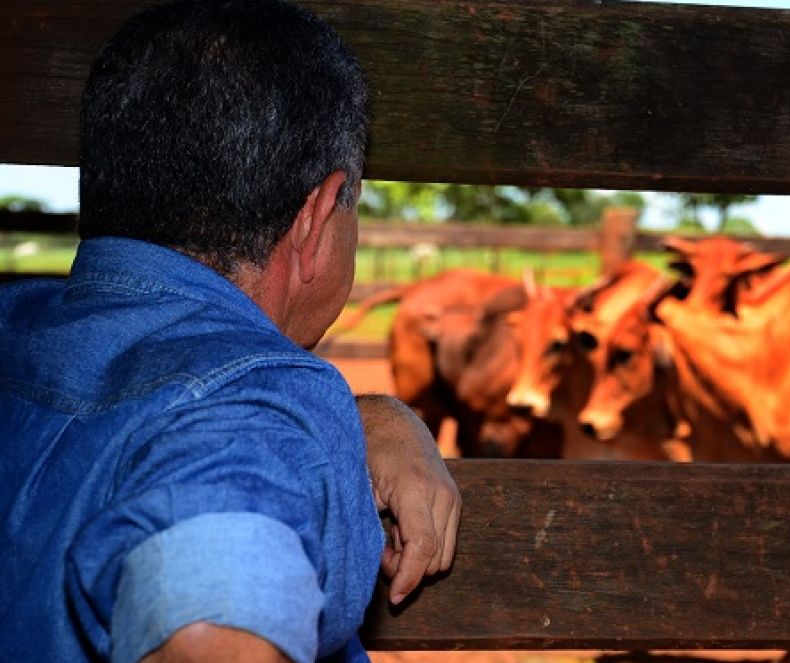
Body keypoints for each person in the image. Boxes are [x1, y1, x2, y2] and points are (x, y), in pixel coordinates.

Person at [0, 1, 460, 661]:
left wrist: (365, 419)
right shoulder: (251, 418)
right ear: (319, 215)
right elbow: (208, 627)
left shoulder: (15, 323)